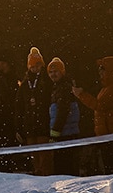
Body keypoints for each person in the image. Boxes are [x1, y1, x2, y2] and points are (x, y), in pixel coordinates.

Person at [73, 56, 113, 174]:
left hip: (110, 135)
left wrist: (82, 95)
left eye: (103, 69)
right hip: (105, 135)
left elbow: (99, 106)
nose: (100, 73)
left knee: (111, 167)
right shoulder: (105, 88)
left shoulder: (112, 89)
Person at [16, 47, 53, 175]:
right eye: (32, 66)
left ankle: (46, 176)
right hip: (30, 126)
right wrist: (19, 127)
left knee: (45, 156)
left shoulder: (47, 80)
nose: (35, 69)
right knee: (34, 157)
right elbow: (19, 107)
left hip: (44, 124)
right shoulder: (25, 84)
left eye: (38, 65)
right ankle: (37, 175)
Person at [47, 57, 81, 175]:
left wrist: (55, 133)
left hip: (67, 135)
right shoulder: (57, 87)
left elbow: (63, 112)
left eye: (56, 71)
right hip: (64, 134)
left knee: (65, 169)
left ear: (62, 72)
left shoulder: (64, 88)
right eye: (50, 72)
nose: (53, 74)